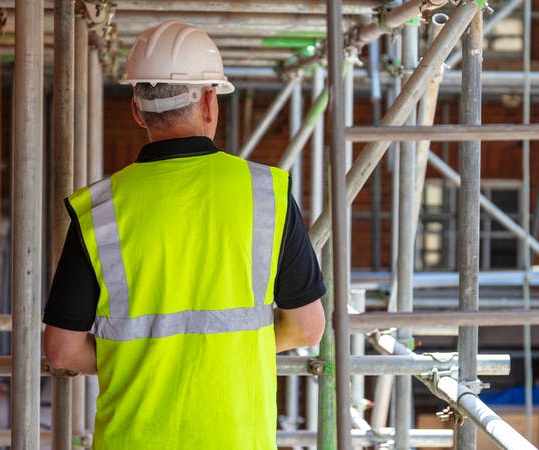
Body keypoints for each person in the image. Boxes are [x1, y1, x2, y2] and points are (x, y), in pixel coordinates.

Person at [42, 20, 326, 449]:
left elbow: (62, 350)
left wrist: (144, 359)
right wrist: (228, 357)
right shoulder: (268, 193)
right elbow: (307, 329)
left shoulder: (98, 209)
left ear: (137, 111)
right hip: (237, 438)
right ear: (210, 101)